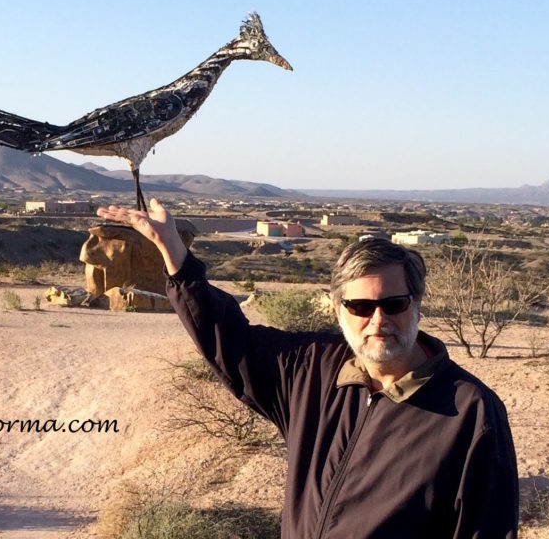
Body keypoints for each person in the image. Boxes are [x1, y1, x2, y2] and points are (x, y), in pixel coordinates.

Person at [98, 198, 520, 539]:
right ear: (337, 310)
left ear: (416, 305)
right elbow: (231, 341)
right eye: (360, 306)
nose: (378, 321)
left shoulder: (471, 412)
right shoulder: (313, 369)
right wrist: (176, 255)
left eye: (394, 304)